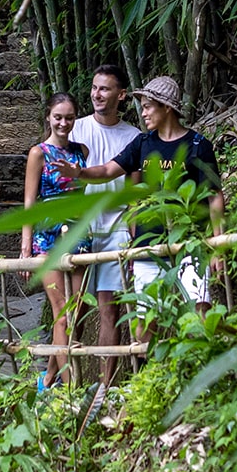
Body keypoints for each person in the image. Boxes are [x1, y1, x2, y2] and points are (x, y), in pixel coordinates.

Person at [63, 75, 224, 326]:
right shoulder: (142, 143)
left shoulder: (198, 145)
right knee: (144, 325)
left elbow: (214, 196)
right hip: (148, 245)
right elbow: (107, 170)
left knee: (198, 315)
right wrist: (80, 173)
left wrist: (217, 245)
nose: (144, 113)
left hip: (191, 242)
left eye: (148, 106)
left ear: (167, 108)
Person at [70, 64, 141, 392]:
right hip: (79, 227)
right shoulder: (75, 129)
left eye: (105, 89)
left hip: (116, 229)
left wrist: (134, 233)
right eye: (95, 88)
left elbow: (139, 192)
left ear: (121, 94)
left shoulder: (134, 138)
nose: (97, 94)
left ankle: (104, 389)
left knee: (108, 308)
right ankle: (66, 384)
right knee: (74, 308)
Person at [20, 92, 89, 391]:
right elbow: (29, 201)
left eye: (69, 117)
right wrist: (25, 247)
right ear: (48, 116)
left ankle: (47, 378)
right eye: (58, 117)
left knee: (78, 311)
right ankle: (69, 390)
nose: (63, 123)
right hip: (47, 236)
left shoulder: (81, 151)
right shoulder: (39, 153)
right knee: (61, 312)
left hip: (78, 233)